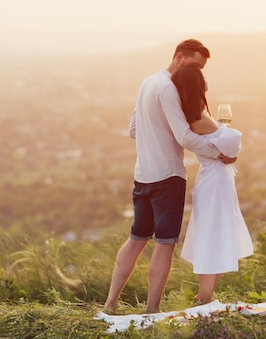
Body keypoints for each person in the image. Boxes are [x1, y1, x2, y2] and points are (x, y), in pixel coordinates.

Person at [104, 39, 235, 314]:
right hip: (167, 177)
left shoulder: (148, 83)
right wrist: (218, 152)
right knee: (165, 244)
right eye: (195, 65)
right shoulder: (168, 88)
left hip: (143, 175)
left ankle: (111, 302)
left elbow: (133, 129)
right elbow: (184, 136)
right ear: (178, 57)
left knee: (137, 238)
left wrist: (156, 134)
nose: (197, 73)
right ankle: (152, 310)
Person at [172, 64, 253, 305]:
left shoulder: (192, 114)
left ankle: (205, 295)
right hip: (216, 181)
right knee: (212, 235)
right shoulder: (198, 117)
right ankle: (205, 297)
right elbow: (233, 142)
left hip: (214, 179)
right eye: (201, 76)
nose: (205, 79)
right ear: (196, 84)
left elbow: (226, 146)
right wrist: (227, 140)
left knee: (217, 232)